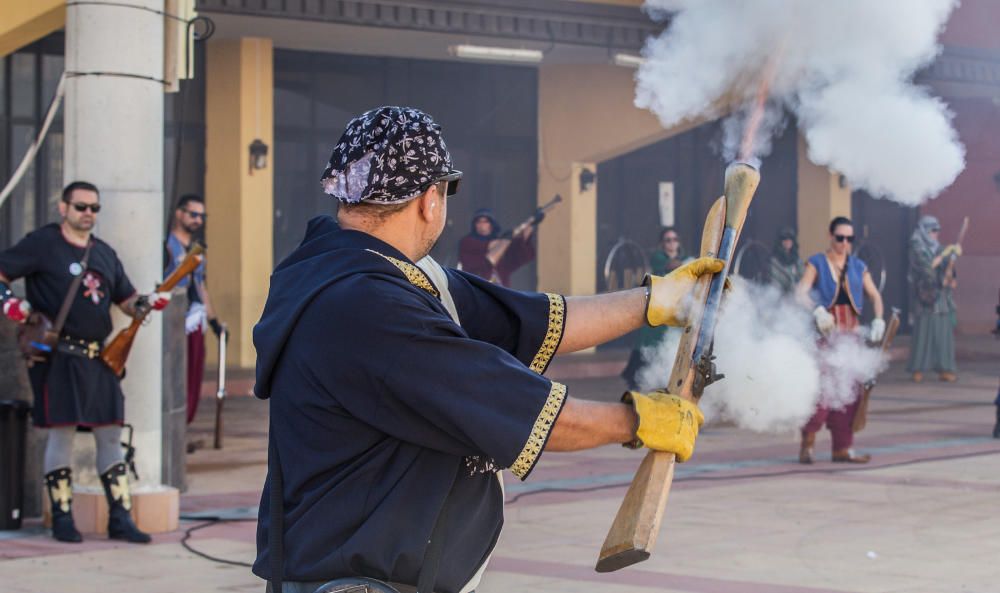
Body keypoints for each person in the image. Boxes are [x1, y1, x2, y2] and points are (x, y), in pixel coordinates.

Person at [251, 106, 724, 593]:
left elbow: (532, 320)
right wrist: (639, 421)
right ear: (430, 200)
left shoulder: (368, 273)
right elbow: (508, 404)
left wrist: (657, 300)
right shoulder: (368, 304)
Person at [0, 181, 171, 543]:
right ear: (63, 208)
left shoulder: (104, 254)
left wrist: (149, 302)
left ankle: (120, 517)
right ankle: (62, 517)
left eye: (94, 208)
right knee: (59, 435)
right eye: (81, 207)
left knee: (110, 433)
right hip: (58, 357)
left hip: (99, 358)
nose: (88, 214)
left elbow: (126, 300)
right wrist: (9, 304)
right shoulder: (43, 243)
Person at [796, 216, 884, 464]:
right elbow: (800, 292)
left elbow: (875, 296)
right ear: (830, 236)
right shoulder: (817, 262)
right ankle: (808, 443)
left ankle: (842, 448)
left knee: (851, 393)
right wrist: (817, 310)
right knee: (823, 393)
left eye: (849, 238)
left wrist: (879, 319)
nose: (845, 243)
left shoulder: (858, 266)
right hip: (827, 337)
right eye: (840, 238)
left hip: (852, 338)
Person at [164, 194, 223, 425]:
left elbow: (200, 286)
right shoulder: (167, 246)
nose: (197, 220)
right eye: (193, 214)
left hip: (195, 318)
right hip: (173, 317)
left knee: (193, 374)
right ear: (179, 213)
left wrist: (214, 321)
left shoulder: (197, 251)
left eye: (201, 216)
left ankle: (184, 424)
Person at [621, 226, 691, 390]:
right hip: (659, 303)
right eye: (668, 240)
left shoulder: (686, 257)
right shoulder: (658, 257)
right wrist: (691, 265)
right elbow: (673, 266)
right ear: (662, 244)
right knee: (647, 340)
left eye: (675, 239)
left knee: (669, 343)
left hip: (677, 306)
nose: (672, 243)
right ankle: (635, 375)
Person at [906, 215, 960, 383]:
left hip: (942, 298)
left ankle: (945, 368)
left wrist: (951, 264)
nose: (935, 234)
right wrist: (945, 256)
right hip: (925, 296)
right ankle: (917, 369)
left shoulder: (939, 248)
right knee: (923, 333)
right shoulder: (917, 248)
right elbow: (926, 268)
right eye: (932, 231)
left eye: (937, 230)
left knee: (943, 335)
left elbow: (947, 270)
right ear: (924, 231)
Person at [457, 208, 537, 287]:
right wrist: (506, 240)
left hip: (500, 290)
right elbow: (490, 249)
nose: (482, 225)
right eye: (479, 222)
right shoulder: (467, 242)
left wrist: (529, 226)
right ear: (475, 225)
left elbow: (522, 254)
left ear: (491, 225)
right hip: (477, 288)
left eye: (485, 222)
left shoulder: (501, 243)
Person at [769, 227, 804, 294]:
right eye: (785, 239)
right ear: (780, 241)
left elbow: (802, 274)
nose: (788, 241)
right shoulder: (775, 260)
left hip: (796, 294)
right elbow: (776, 278)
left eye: (790, 239)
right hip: (780, 294)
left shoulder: (796, 259)